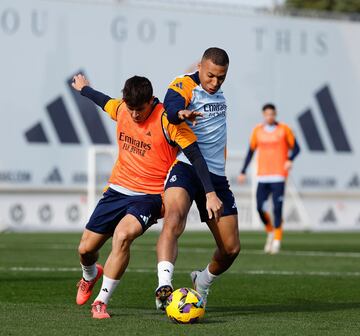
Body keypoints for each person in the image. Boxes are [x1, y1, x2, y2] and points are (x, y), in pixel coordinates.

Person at [72, 74, 222, 319]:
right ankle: (89, 275)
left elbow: (195, 156)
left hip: (149, 196)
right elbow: (103, 101)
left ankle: (101, 301)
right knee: (85, 250)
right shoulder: (122, 108)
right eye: (130, 109)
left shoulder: (168, 121)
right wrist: (84, 89)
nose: (134, 115)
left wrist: (209, 192)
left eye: (139, 110)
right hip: (117, 190)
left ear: (151, 101)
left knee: (122, 236)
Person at [155, 47, 240, 309]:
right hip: (187, 168)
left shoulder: (217, 90)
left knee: (231, 249)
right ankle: (164, 287)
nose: (215, 83)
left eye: (221, 78)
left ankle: (201, 282)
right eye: (211, 76)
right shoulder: (184, 84)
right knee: (174, 218)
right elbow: (170, 106)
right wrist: (179, 113)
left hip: (215, 177)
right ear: (200, 67)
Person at [238, 103, 300, 254]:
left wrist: (290, 159)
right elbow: (251, 151)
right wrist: (243, 171)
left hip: (278, 175)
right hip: (263, 176)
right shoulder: (257, 131)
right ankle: (270, 231)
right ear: (263, 115)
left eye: (272, 114)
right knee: (260, 207)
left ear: (275, 114)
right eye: (267, 114)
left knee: (277, 208)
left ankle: (277, 241)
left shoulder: (284, 129)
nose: (269, 117)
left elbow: (297, 148)